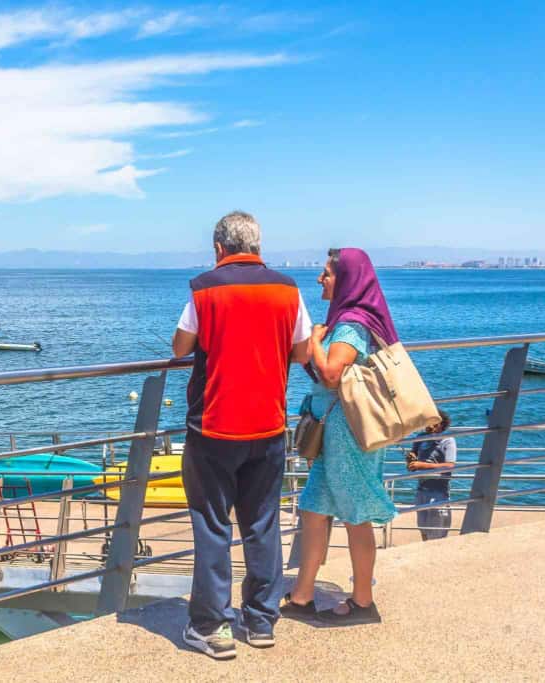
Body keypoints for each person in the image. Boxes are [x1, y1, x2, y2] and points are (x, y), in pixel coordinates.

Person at [172, 211, 312, 659]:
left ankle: (212, 626)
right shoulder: (288, 289)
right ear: (257, 244)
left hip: (213, 426)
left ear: (219, 248)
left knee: (213, 525)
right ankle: (260, 620)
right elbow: (302, 351)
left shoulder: (205, 287)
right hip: (269, 424)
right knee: (262, 523)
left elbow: (180, 347)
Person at [286, 247, 398, 626]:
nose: (321, 279)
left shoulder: (351, 324)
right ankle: (302, 596)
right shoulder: (347, 319)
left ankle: (363, 602)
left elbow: (333, 373)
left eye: (327, 273)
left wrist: (315, 341)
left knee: (355, 516)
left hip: (348, 436)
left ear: (347, 279)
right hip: (333, 431)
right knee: (314, 508)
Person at [408, 412, 457, 540]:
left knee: (437, 534)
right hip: (421, 490)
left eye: (432, 422)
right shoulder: (420, 438)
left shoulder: (448, 440)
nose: (428, 425)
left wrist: (422, 465)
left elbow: (450, 466)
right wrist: (411, 461)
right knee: (423, 530)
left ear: (441, 424)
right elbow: (412, 464)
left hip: (439, 493)